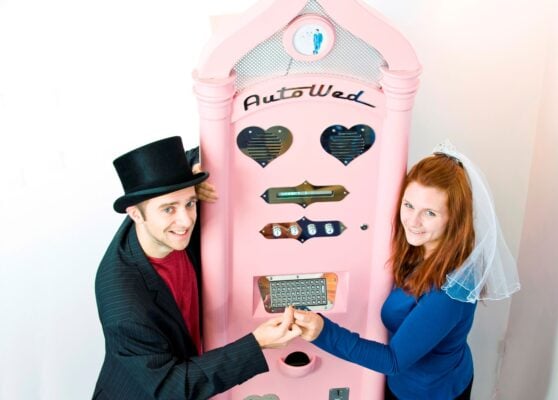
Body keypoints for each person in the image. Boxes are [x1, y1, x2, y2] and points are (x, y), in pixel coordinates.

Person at [293, 141, 520, 399]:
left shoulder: (451, 290)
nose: (412, 221)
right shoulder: (420, 247)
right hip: (410, 382)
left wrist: (323, 331)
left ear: (454, 219)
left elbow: (393, 360)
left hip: (430, 392)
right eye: (409, 205)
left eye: (430, 213)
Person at [93, 136, 301, 400]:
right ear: (135, 215)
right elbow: (172, 388)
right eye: (169, 209)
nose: (185, 220)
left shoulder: (156, 221)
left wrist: (195, 170)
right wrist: (257, 343)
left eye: (190, 203)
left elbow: (196, 152)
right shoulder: (126, 305)